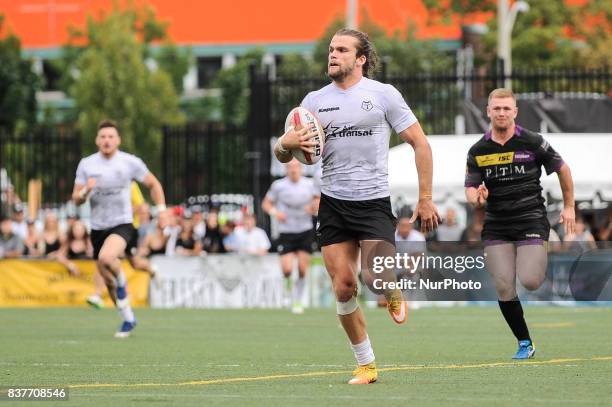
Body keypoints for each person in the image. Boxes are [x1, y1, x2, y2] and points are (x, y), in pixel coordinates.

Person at [273, 28, 439, 384]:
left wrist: (425, 199)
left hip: (374, 202)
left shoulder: (383, 95)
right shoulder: (314, 102)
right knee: (344, 286)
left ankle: (391, 288)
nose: (333, 55)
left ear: (361, 58)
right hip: (333, 203)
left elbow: (420, 144)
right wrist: (284, 143)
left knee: (375, 278)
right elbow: (289, 152)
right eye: (331, 49)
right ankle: (366, 364)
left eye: (342, 50)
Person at [464, 88, 575, 360]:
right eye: (496, 108)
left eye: (506, 108)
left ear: (515, 112)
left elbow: (563, 168)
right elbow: (469, 189)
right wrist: (477, 199)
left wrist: (570, 206)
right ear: (488, 112)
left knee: (531, 280)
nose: (501, 113)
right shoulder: (478, 150)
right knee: (503, 286)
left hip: (530, 218)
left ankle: (533, 260)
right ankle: (525, 342)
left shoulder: (533, 141)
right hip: (497, 223)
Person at [72, 119, 167, 338]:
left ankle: (128, 279)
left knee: (107, 259)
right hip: (97, 228)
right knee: (108, 282)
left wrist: (161, 210)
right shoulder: (87, 164)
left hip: (123, 224)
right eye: (103, 137)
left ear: (118, 140)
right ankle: (127, 318)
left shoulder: (129, 162)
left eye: (111, 137)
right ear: (97, 140)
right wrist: (85, 192)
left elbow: (154, 184)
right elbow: (75, 199)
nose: (107, 140)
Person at [263, 159, 320, 314]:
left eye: (296, 167)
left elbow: (318, 201)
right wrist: (276, 213)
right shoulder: (278, 186)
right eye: (290, 167)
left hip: (305, 231)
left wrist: (313, 208)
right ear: (286, 170)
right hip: (286, 231)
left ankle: (298, 300)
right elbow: (266, 204)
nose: (293, 170)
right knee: (287, 269)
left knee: (302, 269)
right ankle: (288, 293)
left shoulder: (309, 184)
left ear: (301, 169)